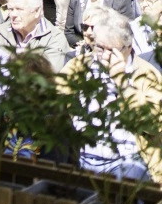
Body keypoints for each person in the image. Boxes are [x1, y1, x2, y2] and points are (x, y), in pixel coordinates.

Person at [60, 13, 162, 182]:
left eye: (112, 50)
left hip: (128, 161)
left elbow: (153, 125)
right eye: (100, 48)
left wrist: (122, 84)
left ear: (128, 47)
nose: (105, 56)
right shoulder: (79, 66)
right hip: (82, 157)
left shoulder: (146, 74)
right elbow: (55, 99)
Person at [0, 0, 70, 71]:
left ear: (37, 11)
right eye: (11, 9)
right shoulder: (0, 32)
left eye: (19, 9)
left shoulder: (54, 38)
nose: (13, 14)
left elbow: (47, 74)